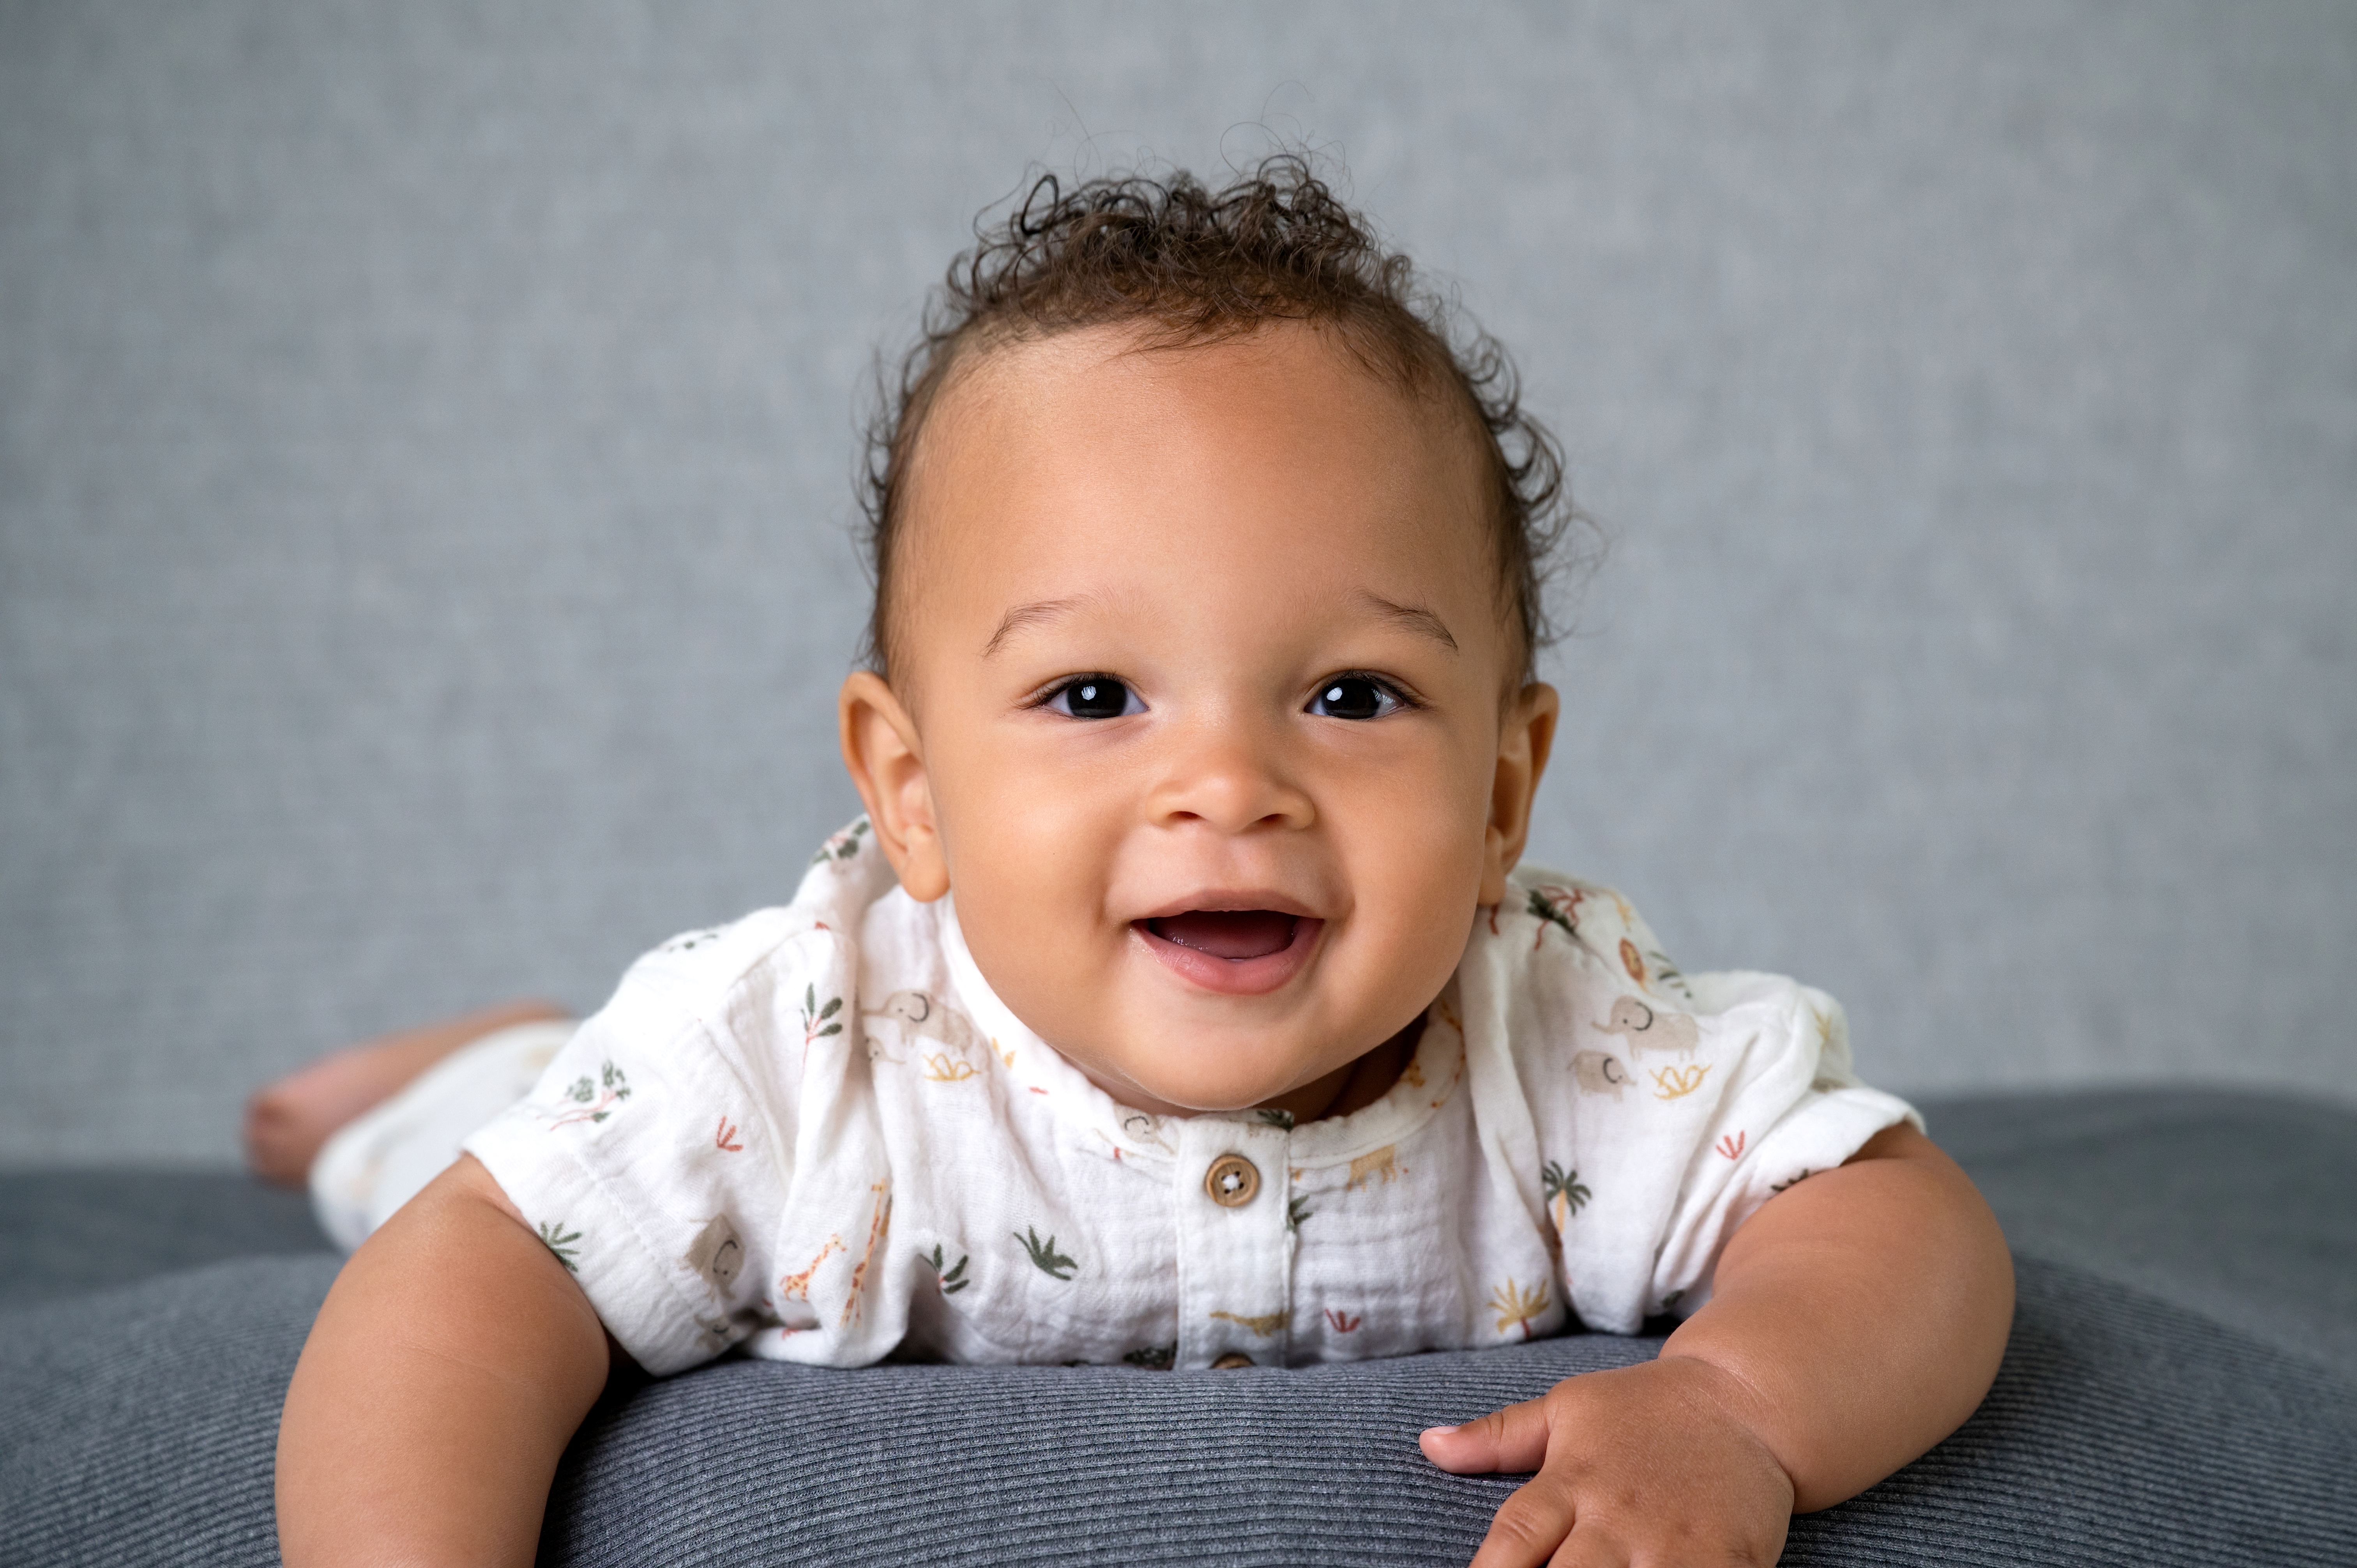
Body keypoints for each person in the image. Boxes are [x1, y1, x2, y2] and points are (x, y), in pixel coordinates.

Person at [263, 157, 2013, 1567]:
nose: (1230, 786)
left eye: (1352, 693)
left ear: (1502, 790)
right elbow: (475, 1268)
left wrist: (1736, 1400)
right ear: (913, 789)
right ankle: (451, 1067)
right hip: (618, 1100)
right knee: (466, 1155)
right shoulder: (788, 1051)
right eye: (1095, 693)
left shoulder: (1561, 1034)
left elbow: (1892, 1219)